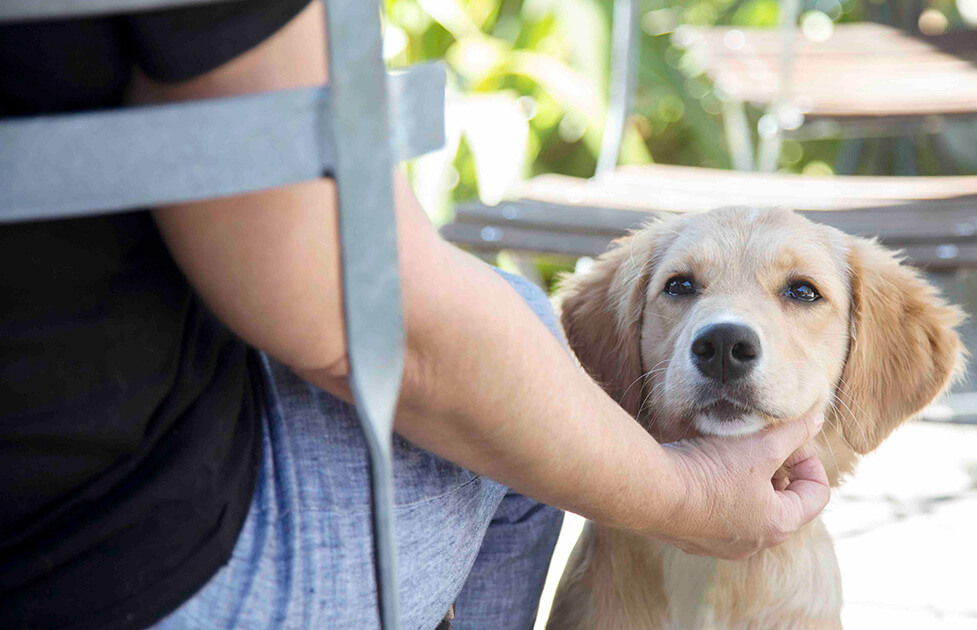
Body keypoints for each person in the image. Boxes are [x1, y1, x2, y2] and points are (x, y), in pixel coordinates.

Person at [0, 1, 831, 629]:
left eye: (801, 293)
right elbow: (349, 308)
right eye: (681, 288)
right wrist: (684, 499)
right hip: (99, 562)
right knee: (515, 376)